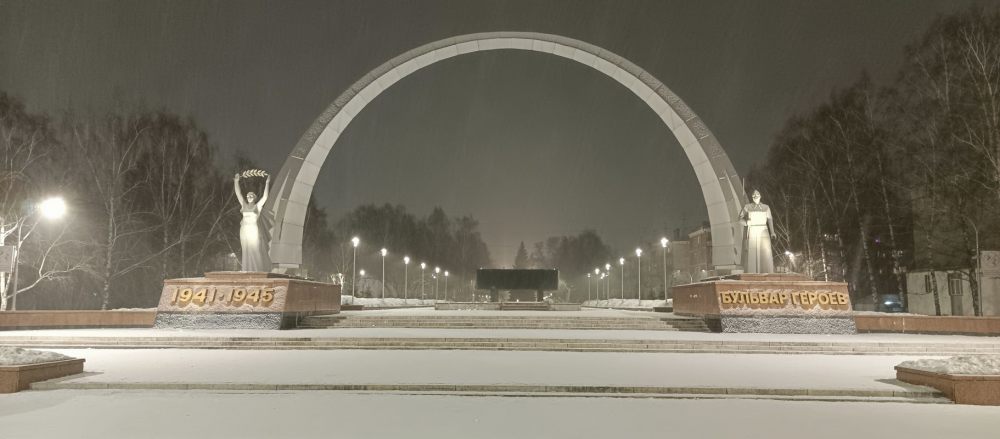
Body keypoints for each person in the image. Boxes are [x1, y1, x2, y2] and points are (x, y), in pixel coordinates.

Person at [233, 173, 272, 272]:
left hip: (253, 230)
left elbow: (265, 197)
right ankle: (247, 269)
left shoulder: (257, 206)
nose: (249, 197)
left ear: (254, 197)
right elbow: (238, 194)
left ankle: (258, 270)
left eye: (251, 195)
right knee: (246, 250)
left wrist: (267, 183)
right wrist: (236, 182)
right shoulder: (244, 205)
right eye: (247, 196)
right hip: (244, 230)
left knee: (255, 250)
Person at [739, 189, 775, 273]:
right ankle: (751, 272)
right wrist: (746, 222)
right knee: (752, 253)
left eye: (757, 194)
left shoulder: (766, 207)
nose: (755, 196)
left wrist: (772, 232)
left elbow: (770, 219)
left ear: (760, 196)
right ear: (752, 197)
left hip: (763, 230)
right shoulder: (747, 207)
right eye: (754, 195)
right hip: (752, 230)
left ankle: (767, 271)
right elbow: (739, 219)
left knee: (765, 251)